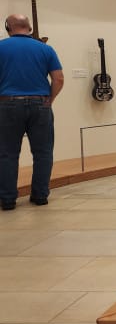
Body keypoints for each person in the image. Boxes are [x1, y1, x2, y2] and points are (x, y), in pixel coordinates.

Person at [0, 14, 64, 210]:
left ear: (8, 28)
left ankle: (8, 199)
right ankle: (40, 195)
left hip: (8, 104)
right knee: (43, 152)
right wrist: (49, 100)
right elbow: (59, 79)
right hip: (40, 104)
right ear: (29, 28)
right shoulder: (45, 49)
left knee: (7, 154)